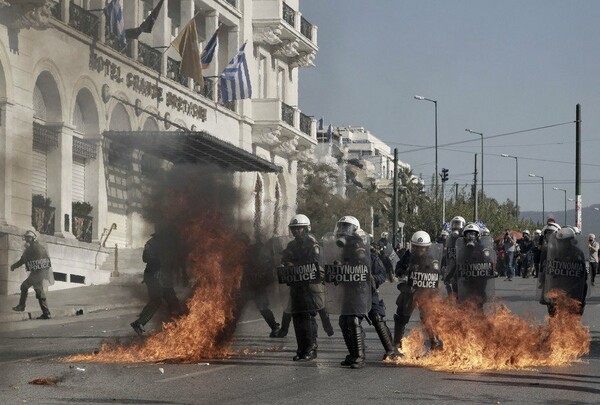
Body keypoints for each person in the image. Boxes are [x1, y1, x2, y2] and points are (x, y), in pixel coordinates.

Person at [329, 215, 371, 369]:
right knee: (344, 321)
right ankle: (352, 354)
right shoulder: (344, 246)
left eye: (346, 227)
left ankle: (360, 356)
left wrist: (350, 262)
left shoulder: (357, 243)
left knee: (353, 320)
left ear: (354, 229)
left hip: (359, 288)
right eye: (341, 227)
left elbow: (363, 262)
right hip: (349, 287)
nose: (342, 231)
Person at [280, 214, 322, 361]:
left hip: (309, 286)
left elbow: (313, 263)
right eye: (295, 229)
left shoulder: (312, 244)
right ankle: (301, 349)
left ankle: (311, 348)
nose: (297, 231)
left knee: (308, 317)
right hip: (296, 286)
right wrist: (285, 263)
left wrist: (295, 264)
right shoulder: (291, 245)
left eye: (300, 229)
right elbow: (285, 259)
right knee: (297, 317)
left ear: (306, 229)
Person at [394, 231, 443, 352]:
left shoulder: (432, 259)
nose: (419, 250)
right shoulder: (407, 256)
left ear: (427, 248)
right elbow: (398, 269)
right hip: (408, 291)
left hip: (425, 292)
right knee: (401, 316)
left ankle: (435, 342)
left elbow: (436, 274)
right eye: (416, 247)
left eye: (422, 248)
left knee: (427, 317)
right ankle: (397, 343)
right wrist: (403, 271)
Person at [130, 228, 183, 337]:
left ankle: (179, 326)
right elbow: (146, 257)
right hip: (154, 277)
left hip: (164, 278)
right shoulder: (151, 243)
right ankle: (139, 323)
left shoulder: (167, 245)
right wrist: (159, 259)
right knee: (156, 300)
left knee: (173, 301)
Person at [541, 227, 587, 316]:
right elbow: (548, 272)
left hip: (573, 293)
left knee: (572, 318)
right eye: (560, 241)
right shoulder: (554, 253)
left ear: (570, 241)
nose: (562, 244)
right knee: (554, 317)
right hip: (556, 292)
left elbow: (583, 276)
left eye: (564, 241)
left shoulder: (577, 254)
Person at [10, 230, 54, 319]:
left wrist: (14, 266)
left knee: (24, 286)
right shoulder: (37, 247)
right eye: (26, 237)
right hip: (38, 273)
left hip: (37, 273)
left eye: (28, 237)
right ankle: (46, 313)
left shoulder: (33, 248)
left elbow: (24, 260)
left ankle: (21, 306)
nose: (26, 239)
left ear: (33, 238)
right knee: (39, 292)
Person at [369, 244, 397, 360]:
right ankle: (356, 355)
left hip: (368, 293)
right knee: (347, 320)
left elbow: (381, 275)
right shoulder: (341, 256)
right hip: (350, 296)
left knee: (376, 316)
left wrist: (373, 279)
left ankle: (390, 350)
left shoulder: (370, 257)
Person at [443, 215, 466, 294]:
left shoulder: (466, 236)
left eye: (458, 224)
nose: (456, 226)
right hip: (454, 264)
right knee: (451, 280)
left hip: (466, 265)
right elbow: (447, 253)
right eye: (454, 224)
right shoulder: (450, 238)